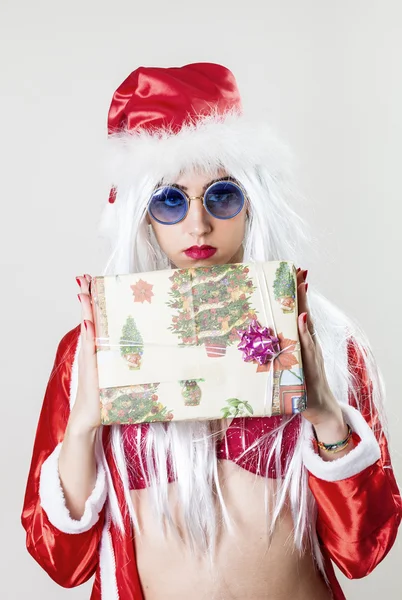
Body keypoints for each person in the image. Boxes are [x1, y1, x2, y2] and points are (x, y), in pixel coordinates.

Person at [21, 62, 401, 600]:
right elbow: (64, 562)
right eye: (170, 200)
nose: (198, 225)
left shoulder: (324, 341)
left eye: (221, 196)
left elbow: (364, 550)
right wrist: (84, 423)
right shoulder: (91, 349)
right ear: (142, 216)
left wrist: (327, 419)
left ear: (252, 202)